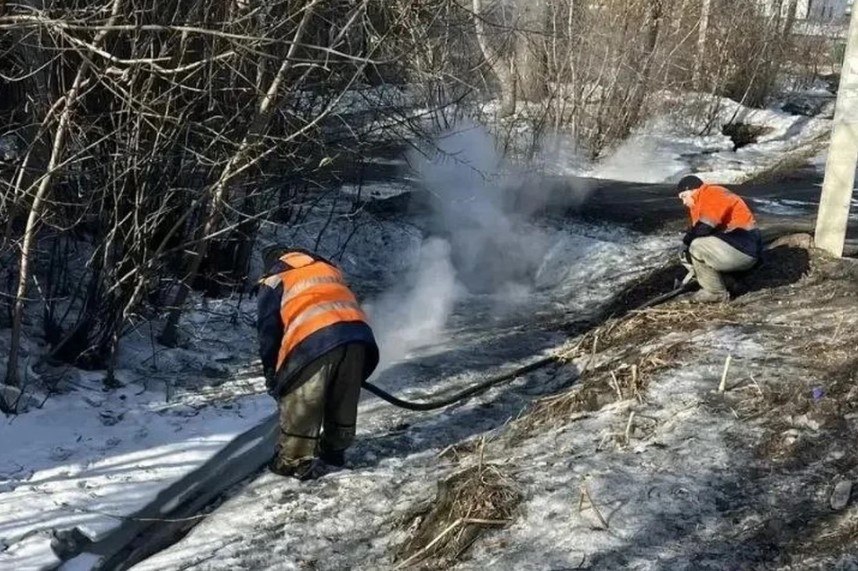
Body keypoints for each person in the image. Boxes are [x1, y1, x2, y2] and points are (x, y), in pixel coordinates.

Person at [257, 246, 379, 480]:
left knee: (304, 398)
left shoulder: (275, 278)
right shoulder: (327, 268)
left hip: (314, 340)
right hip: (358, 337)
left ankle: (292, 460)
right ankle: (335, 452)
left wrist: (272, 372)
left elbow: (268, 330)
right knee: (343, 395)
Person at [676, 176, 763, 303]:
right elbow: (699, 230)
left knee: (697, 246)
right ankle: (728, 282)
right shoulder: (700, 204)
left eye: (684, 196)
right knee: (691, 248)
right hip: (740, 248)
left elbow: (704, 228)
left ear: (694, 190)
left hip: (743, 246)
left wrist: (685, 243)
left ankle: (715, 292)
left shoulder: (711, 192)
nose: (684, 202)